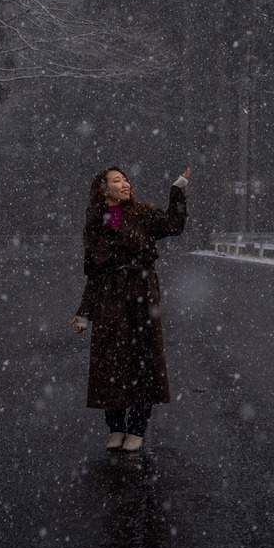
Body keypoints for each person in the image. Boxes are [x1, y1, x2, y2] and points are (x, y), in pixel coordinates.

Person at [70, 165, 190, 452]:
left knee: (142, 362)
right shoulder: (99, 222)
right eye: (116, 181)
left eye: (125, 179)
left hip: (142, 295)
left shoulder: (143, 213)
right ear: (104, 190)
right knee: (110, 362)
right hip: (110, 299)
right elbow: (95, 274)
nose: (125, 184)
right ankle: (116, 427)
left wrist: (178, 189)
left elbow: (174, 226)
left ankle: (137, 428)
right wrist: (84, 312)